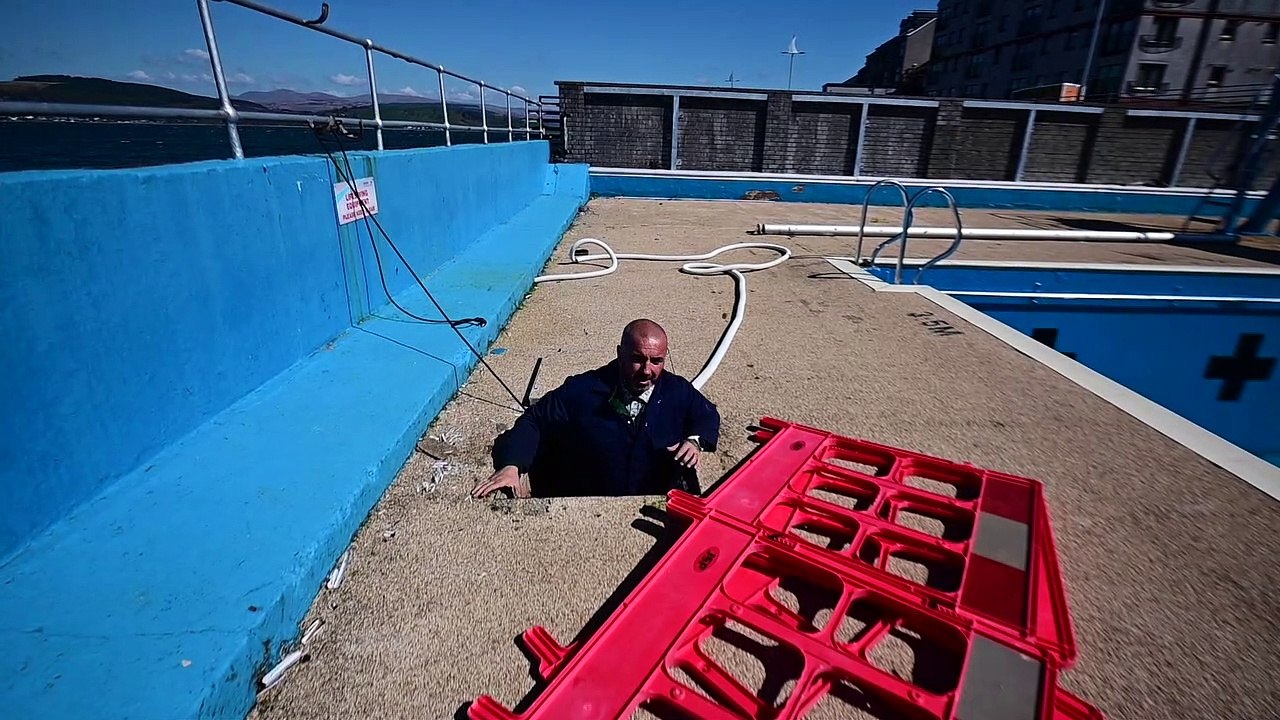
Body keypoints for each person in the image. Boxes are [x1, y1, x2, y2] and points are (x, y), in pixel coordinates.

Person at [472, 319, 721, 498]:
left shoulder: (676, 390)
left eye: (656, 361)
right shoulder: (583, 390)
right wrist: (512, 465)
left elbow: (707, 415)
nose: (647, 371)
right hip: (588, 493)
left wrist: (694, 441)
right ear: (620, 354)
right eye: (637, 359)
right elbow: (535, 420)